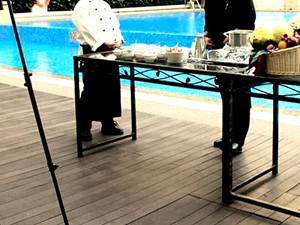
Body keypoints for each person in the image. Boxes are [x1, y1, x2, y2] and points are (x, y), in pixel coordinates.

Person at [204, 0, 256, 154]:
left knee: (240, 94)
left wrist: (236, 35)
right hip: (220, 51)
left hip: (239, 51)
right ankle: (228, 135)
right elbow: (209, 20)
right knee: (225, 94)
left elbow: (250, 23)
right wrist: (207, 35)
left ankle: (238, 140)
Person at [72, 0, 125, 142]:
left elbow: (115, 24)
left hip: (110, 52)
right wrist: (102, 41)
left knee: (111, 89)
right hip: (92, 52)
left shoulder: (105, 4)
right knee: (92, 91)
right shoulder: (82, 4)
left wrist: (118, 39)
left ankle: (108, 124)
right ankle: (84, 127)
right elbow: (84, 27)